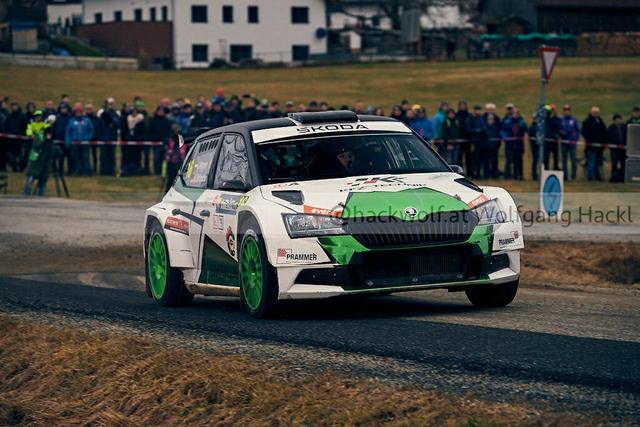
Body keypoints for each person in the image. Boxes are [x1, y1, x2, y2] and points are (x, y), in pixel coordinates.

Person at [23, 126, 55, 196]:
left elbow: (53, 151)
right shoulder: (39, 137)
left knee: (42, 183)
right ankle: (26, 195)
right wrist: (44, 141)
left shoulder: (52, 141)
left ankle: (40, 197)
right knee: (30, 180)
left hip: (45, 165)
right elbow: (35, 146)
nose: (49, 135)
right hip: (35, 163)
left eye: (50, 134)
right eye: (48, 134)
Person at [65, 106, 94, 176]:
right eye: (77, 112)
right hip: (75, 143)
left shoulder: (87, 121)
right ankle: (80, 170)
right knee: (77, 157)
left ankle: (87, 170)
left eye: (80, 112)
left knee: (85, 157)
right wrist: (68, 141)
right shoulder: (71, 121)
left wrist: (88, 138)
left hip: (84, 142)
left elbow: (91, 130)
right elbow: (68, 132)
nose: (78, 114)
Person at [500, 107, 527, 180]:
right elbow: (502, 131)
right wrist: (506, 139)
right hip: (509, 144)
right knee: (509, 160)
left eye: (516, 113)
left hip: (519, 144)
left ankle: (518, 175)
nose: (515, 115)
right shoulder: (507, 122)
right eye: (513, 113)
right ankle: (507, 175)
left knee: (518, 160)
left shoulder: (521, 122)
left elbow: (525, 130)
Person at [582, 106, 607, 181]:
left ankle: (597, 176)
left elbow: (604, 132)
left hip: (599, 148)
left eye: (597, 112)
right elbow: (586, 134)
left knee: (598, 163)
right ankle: (590, 177)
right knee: (591, 162)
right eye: (594, 112)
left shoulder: (600, 121)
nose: (596, 114)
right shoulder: (587, 122)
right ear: (591, 113)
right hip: (591, 147)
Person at [95, 105, 119, 175]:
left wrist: (111, 117)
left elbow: (117, 124)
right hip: (103, 141)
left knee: (111, 156)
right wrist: (101, 118)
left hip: (111, 141)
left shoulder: (113, 119)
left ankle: (112, 170)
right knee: (103, 157)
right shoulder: (101, 120)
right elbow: (97, 127)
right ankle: (103, 170)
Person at [148, 106, 172, 175]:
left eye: (162, 111)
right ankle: (156, 171)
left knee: (163, 158)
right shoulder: (153, 120)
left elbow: (168, 132)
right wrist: (151, 141)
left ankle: (163, 171)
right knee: (156, 158)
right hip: (155, 143)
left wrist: (167, 142)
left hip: (164, 143)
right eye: (159, 111)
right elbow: (150, 131)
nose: (161, 112)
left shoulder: (166, 121)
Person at [559, 104, 580, 180]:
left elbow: (578, 130)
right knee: (564, 160)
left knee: (573, 160)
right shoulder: (561, 120)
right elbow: (558, 130)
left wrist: (576, 139)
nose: (567, 112)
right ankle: (565, 176)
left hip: (572, 143)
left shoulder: (574, 120)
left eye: (568, 110)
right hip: (564, 143)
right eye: (565, 110)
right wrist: (562, 133)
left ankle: (573, 176)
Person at [164, 124, 187, 192]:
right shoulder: (169, 139)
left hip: (180, 161)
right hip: (171, 161)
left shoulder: (182, 139)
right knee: (171, 179)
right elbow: (166, 148)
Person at [465, 105, 486, 178]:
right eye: (477, 110)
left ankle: (478, 173)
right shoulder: (470, 119)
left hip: (481, 141)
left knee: (480, 158)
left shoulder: (481, 118)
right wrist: (476, 130)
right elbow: (468, 129)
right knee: (474, 158)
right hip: (473, 142)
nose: (478, 111)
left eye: (479, 110)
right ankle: (472, 173)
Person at [5, 103, 27, 171]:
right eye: (13, 107)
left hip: (19, 139)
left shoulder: (22, 116)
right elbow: (6, 126)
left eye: (15, 107)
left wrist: (22, 134)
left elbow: (24, 126)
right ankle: (14, 167)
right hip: (11, 139)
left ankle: (21, 167)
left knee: (20, 153)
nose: (14, 108)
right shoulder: (9, 116)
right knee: (12, 154)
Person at [607, 114, 627, 182]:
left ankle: (623, 177)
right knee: (614, 164)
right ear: (614, 121)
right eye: (617, 120)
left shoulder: (624, 127)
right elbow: (607, 137)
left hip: (623, 150)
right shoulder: (611, 128)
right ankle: (613, 178)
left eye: (619, 119)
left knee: (623, 164)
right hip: (614, 150)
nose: (618, 121)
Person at [543, 105, 561, 170]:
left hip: (554, 141)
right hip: (546, 141)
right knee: (546, 157)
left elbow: (559, 126)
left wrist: (556, 135)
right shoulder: (544, 120)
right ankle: (546, 169)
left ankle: (555, 168)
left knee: (555, 156)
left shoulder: (554, 119)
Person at [484, 113, 501, 178]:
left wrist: (496, 145)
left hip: (494, 147)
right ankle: (486, 175)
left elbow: (498, 138)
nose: (490, 121)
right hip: (487, 147)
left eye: (491, 119)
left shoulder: (496, 128)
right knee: (486, 162)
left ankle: (494, 174)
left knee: (494, 162)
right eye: (489, 119)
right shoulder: (484, 128)